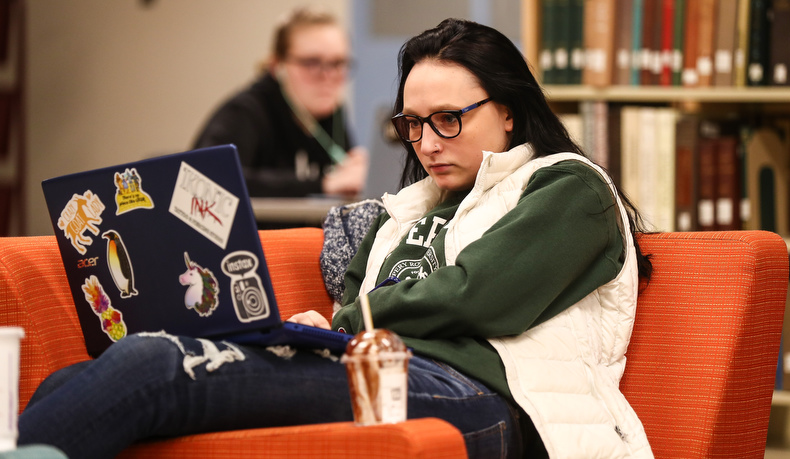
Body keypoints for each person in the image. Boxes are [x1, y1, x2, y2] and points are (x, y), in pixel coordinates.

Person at [18, 18, 655, 459]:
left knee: (151, 365)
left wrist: (350, 322)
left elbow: (474, 298)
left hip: (490, 399)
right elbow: (354, 305)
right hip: (384, 367)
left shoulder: (568, 189)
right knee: (76, 377)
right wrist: (321, 329)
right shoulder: (405, 210)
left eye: (449, 120)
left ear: (509, 110)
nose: (427, 144)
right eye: (412, 124)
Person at [192, 7, 368, 198]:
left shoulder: (334, 114)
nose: (328, 76)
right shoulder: (246, 112)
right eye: (311, 63)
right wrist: (323, 184)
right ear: (277, 66)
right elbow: (207, 179)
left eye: (338, 63)